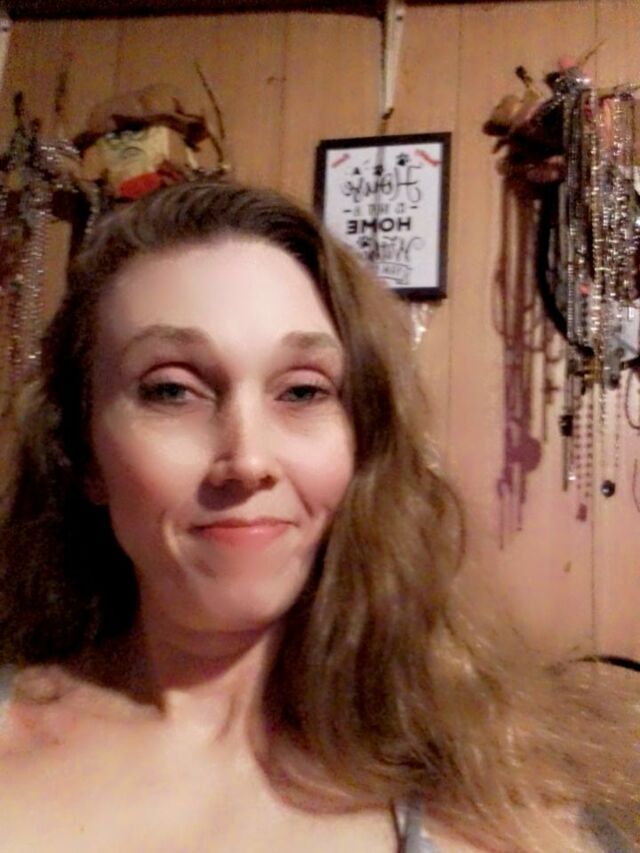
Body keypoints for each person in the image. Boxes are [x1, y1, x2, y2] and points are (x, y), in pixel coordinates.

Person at [0, 179, 637, 852]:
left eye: (302, 391)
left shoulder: (513, 796)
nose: (248, 459)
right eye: (171, 390)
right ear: (85, 453)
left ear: (363, 439)